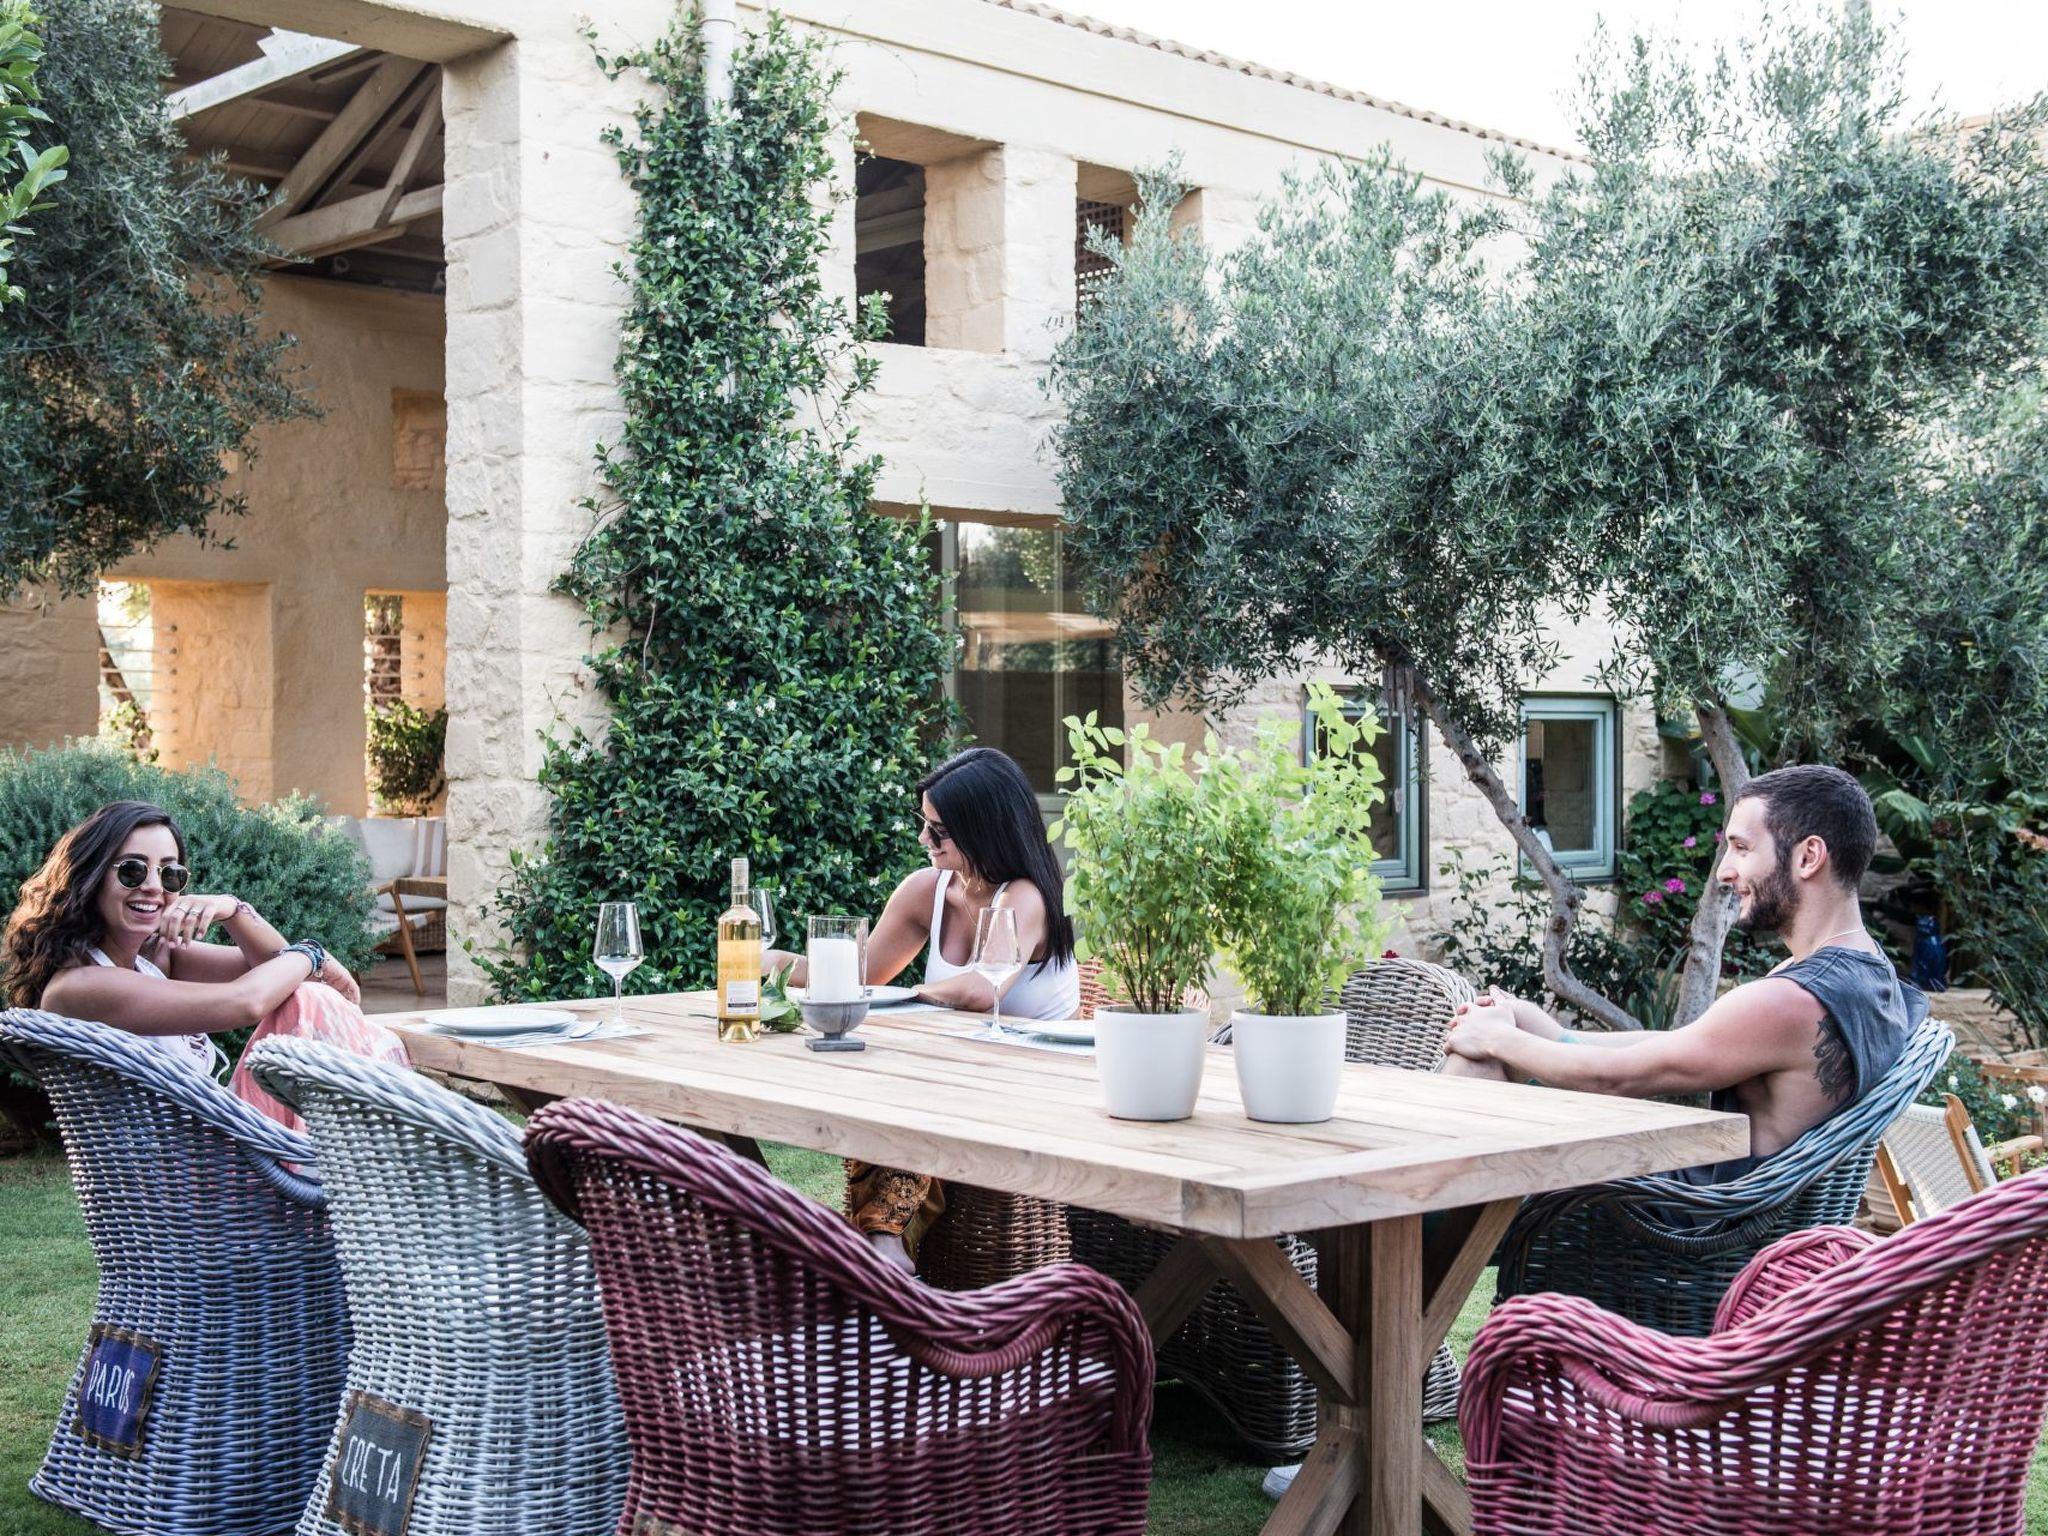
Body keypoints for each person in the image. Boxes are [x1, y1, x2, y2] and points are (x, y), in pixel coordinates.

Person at [1442, 764, 1928, 1183]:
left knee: (1475, 1068)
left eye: (1741, 848)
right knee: (1485, 1063)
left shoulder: (1792, 1001)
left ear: (1808, 857)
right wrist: (1537, 1026)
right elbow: (1679, 1046)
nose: (1724, 872)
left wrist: (1497, 1039)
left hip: (1672, 1223)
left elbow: (1614, 1080)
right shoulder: (1864, 970)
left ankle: (1421, 1253)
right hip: (1725, 1209)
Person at [765, 747, 1079, 1271]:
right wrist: (775, 962)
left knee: (911, 1087)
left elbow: (981, 989)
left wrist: (912, 997)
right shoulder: (926, 890)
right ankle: (878, 1243)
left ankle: (881, 1243)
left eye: (939, 831)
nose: (922, 839)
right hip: (961, 1070)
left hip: (1037, 1081)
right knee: (888, 1082)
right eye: (924, 824)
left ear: (984, 831)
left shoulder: (1023, 897)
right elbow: (862, 973)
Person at [5, 800, 408, 1133]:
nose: (153, 886)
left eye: (170, 874)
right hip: (184, 1175)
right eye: (132, 870)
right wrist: (312, 955)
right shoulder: (78, 987)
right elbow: (248, 1001)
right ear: (90, 877)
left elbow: (275, 966)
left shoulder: (153, 958)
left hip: (213, 1148)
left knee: (305, 994)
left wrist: (232, 910)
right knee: (307, 999)